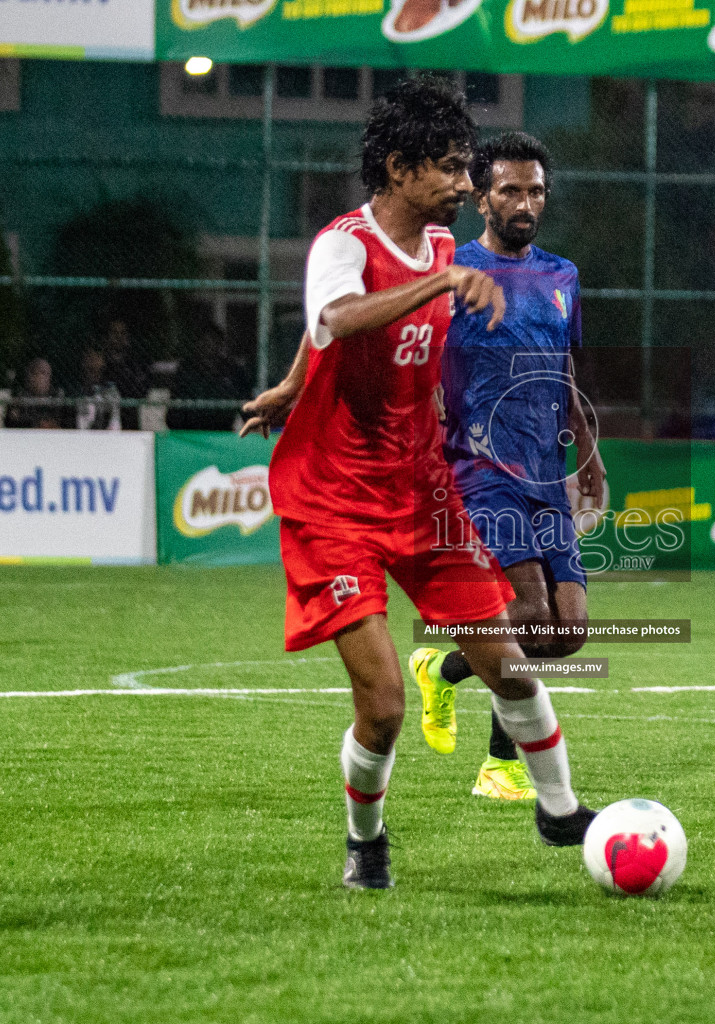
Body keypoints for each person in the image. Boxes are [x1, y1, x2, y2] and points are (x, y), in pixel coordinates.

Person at [238, 77, 596, 890]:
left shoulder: (438, 243)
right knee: (386, 704)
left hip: (422, 489)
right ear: (397, 169)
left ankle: (558, 810)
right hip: (333, 500)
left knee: (509, 662)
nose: (464, 186)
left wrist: (294, 382)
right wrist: (429, 291)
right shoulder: (347, 244)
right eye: (447, 169)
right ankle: (366, 840)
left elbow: (321, 334)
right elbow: (334, 317)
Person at [405, 130, 604, 803]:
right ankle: (503, 765)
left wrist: (588, 445)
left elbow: (565, 364)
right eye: (511, 190)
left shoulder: (562, 275)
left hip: (547, 468)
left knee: (567, 632)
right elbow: (416, 349)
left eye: (536, 190)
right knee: (525, 607)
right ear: (483, 198)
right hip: (479, 467)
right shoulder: (451, 272)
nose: (526, 201)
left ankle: (446, 667)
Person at [4, 357, 69, 430]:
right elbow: (11, 423)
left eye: (47, 374)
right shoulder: (19, 398)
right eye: (42, 373)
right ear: (30, 376)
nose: (45, 378)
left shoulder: (56, 396)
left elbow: (65, 422)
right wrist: (37, 424)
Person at [75, 349, 122, 431]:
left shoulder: (109, 386)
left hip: (106, 424)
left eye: (97, 356)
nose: (93, 361)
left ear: (102, 362)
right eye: (89, 357)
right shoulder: (77, 385)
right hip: (84, 426)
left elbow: (114, 409)